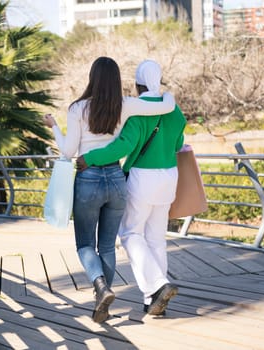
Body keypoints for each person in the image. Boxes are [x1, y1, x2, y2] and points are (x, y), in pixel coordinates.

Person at [42, 56, 176, 323]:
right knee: (107, 246)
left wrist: (53, 126)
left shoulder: (78, 108)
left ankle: (100, 286)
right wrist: (168, 94)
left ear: (92, 78)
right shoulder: (125, 104)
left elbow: (68, 152)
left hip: (88, 179)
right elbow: (163, 107)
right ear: (116, 80)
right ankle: (101, 298)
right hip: (116, 178)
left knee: (84, 244)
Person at [76, 59, 187, 316]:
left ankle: (158, 284)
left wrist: (91, 158)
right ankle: (153, 300)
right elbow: (178, 142)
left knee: (130, 234)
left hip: (142, 178)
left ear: (137, 85)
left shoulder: (138, 110)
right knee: (157, 238)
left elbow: (123, 146)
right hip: (169, 176)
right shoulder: (174, 109)